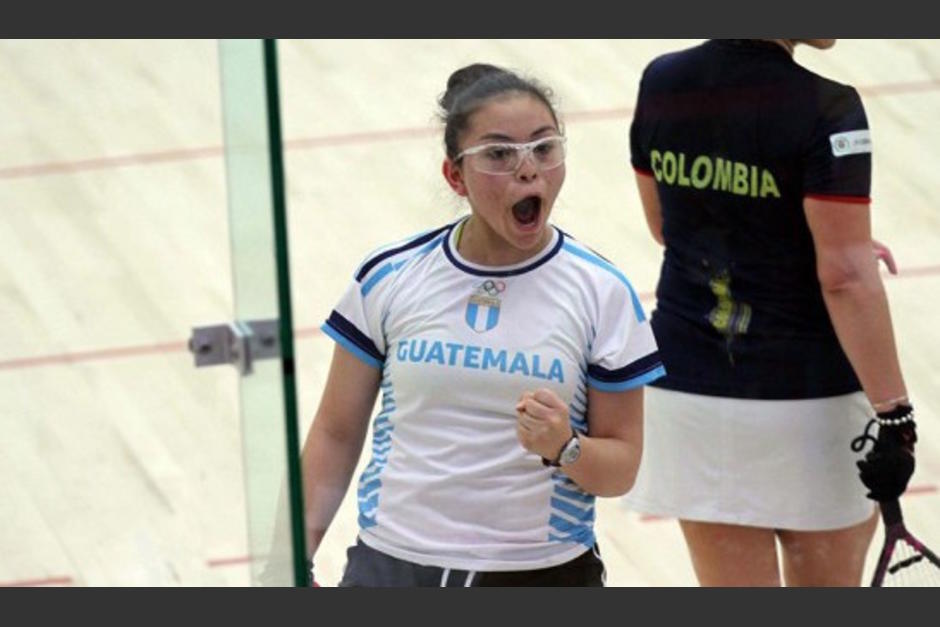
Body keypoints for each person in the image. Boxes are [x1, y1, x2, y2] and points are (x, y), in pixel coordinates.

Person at [301, 63, 665, 586]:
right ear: (456, 175)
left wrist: (566, 446)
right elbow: (335, 434)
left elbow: (622, 465)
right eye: (499, 153)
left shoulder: (601, 292)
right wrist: (289, 558)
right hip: (392, 568)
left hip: (538, 575)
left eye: (544, 148)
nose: (528, 169)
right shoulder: (390, 276)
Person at [623, 39, 917, 587]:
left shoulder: (661, 81)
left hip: (687, 394)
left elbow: (671, 228)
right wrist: (895, 414)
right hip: (808, 402)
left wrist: (814, 242)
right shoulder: (829, 108)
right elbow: (847, 277)